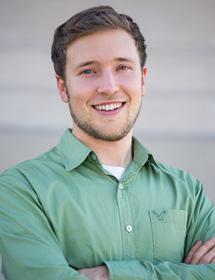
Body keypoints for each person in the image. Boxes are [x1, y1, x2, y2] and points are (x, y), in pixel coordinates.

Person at [0, 5, 215, 280]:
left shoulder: (187, 191)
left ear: (143, 80)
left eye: (123, 67)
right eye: (89, 71)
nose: (109, 86)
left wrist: (107, 275)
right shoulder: (21, 189)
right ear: (63, 87)